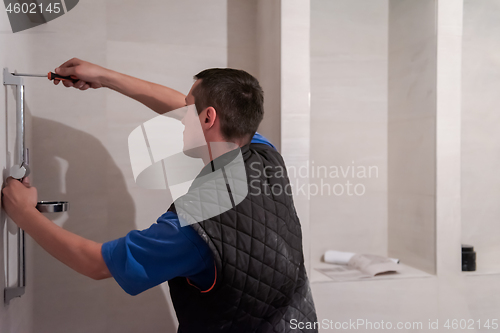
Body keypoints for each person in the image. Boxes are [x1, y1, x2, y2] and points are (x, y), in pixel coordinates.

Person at [2, 58, 318, 333]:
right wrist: (104, 76)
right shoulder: (265, 157)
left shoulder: (195, 225)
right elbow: (191, 108)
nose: (179, 118)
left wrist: (23, 212)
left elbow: (96, 264)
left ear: (208, 118)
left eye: (187, 109)